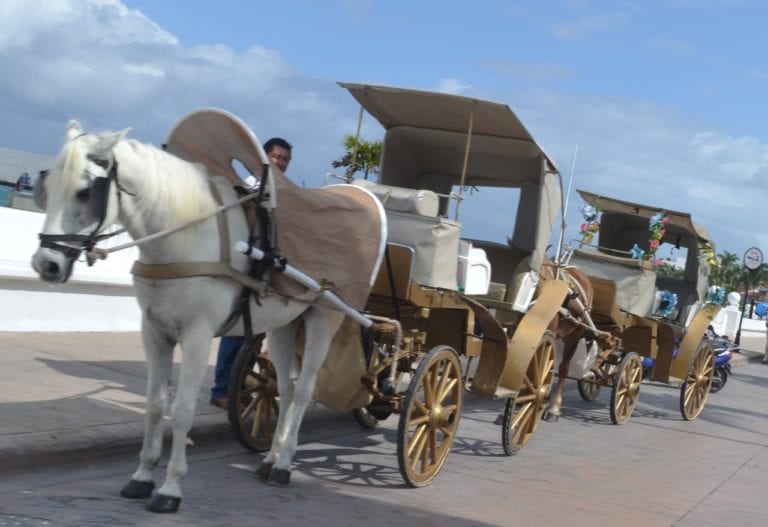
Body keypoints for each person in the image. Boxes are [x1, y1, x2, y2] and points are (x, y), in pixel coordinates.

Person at [210, 137, 293, 409]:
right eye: (276, 157)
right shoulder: (251, 188)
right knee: (237, 333)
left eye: (284, 159)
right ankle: (223, 389)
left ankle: (237, 388)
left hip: (263, 272)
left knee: (252, 336)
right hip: (247, 270)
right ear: (264, 158)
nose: (280, 163)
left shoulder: (281, 190)